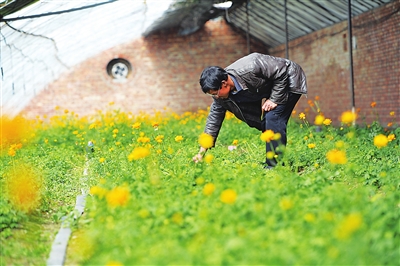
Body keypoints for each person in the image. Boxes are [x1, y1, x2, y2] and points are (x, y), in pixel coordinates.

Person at [193, 53, 307, 169]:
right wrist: (201, 153)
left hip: (289, 78)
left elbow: (282, 72)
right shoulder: (220, 97)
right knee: (267, 124)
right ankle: (275, 161)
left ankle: (274, 165)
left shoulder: (251, 66)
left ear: (224, 84)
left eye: (215, 93)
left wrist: (274, 99)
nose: (216, 97)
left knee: (273, 118)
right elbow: (213, 121)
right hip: (271, 86)